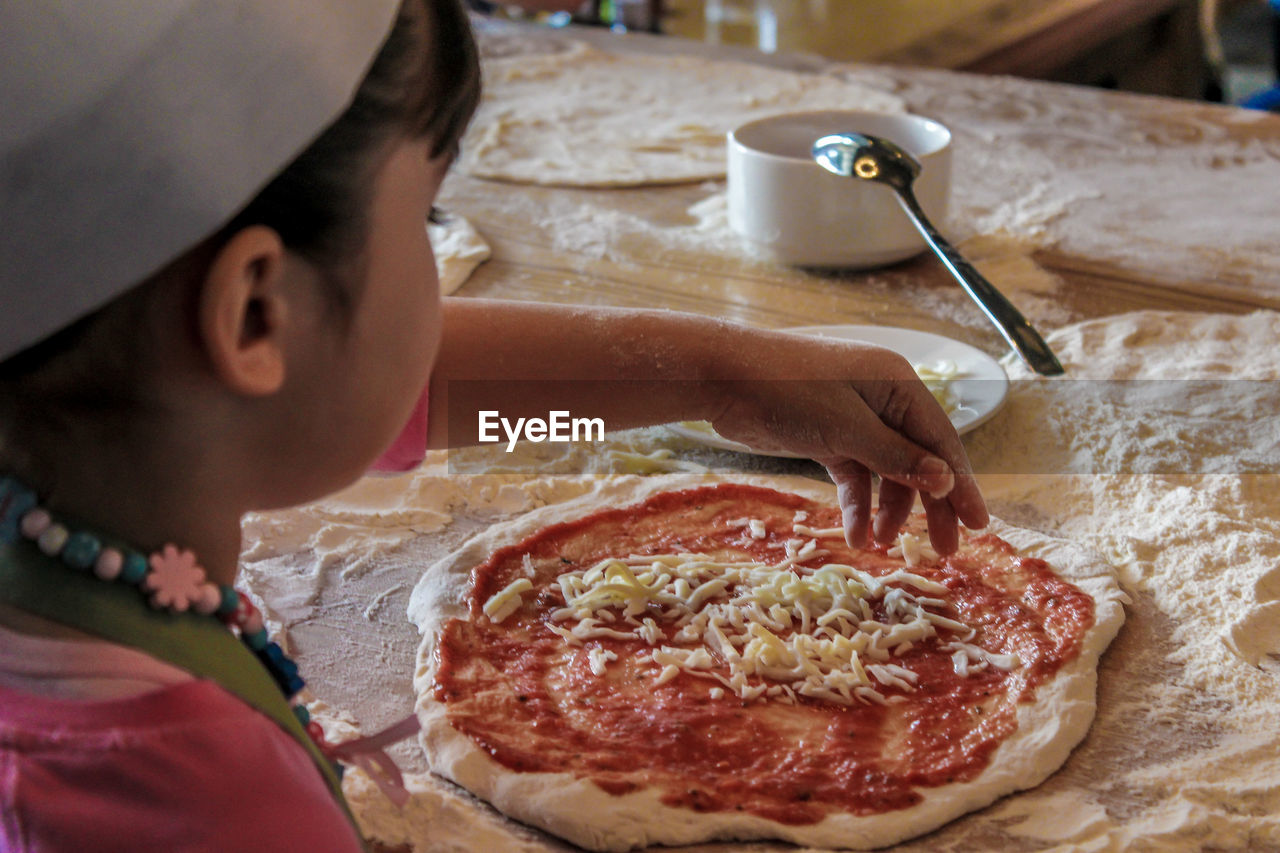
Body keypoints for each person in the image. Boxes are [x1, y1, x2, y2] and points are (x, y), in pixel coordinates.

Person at [0, 0, 986, 850]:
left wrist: (717, 368)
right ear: (259, 313)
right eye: (427, 219)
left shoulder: (61, 458)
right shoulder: (205, 805)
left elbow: (390, 379)